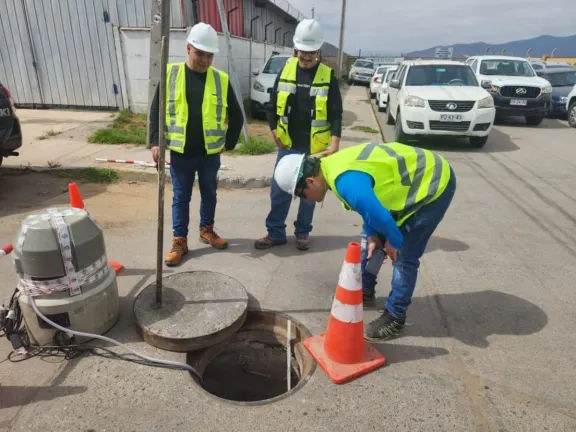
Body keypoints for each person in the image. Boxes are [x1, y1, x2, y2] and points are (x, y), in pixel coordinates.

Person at [271, 141, 457, 341]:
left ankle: (395, 317)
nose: (306, 200)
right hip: (406, 182)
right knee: (370, 241)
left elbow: (380, 216)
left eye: (302, 194)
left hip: (434, 182)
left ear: (310, 181)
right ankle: (364, 290)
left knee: (404, 255)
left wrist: (393, 241)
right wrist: (372, 235)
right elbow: (369, 210)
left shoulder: (346, 182)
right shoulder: (332, 167)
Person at [148, 22, 244, 266]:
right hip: (181, 153)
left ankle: (207, 230)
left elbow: (237, 115)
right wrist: (154, 142)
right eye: (200, 53)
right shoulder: (170, 74)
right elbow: (156, 111)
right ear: (188, 48)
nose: (204, 60)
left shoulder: (220, 79)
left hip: (209, 154)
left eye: (209, 55)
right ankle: (179, 241)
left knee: (210, 194)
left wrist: (229, 143)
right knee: (181, 197)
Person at [254, 18, 343, 251]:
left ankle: (303, 233)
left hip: (315, 148)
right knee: (280, 190)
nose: (306, 57)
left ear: (319, 51)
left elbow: (336, 113)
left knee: (308, 195)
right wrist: (274, 131)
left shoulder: (327, 75)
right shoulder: (286, 69)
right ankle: (275, 232)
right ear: (296, 49)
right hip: (288, 146)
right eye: (303, 52)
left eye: (311, 53)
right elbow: (271, 105)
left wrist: (335, 142)